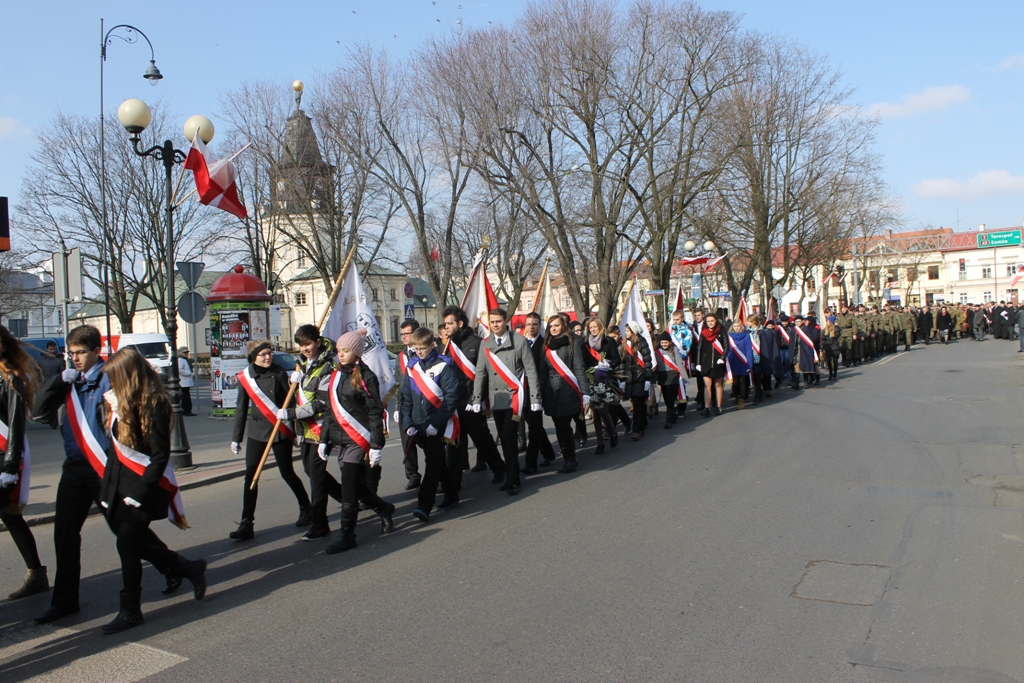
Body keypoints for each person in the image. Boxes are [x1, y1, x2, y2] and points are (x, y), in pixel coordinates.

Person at [32, 325, 176, 625]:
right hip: (74, 467)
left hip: (105, 467)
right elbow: (38, 411)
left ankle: (174, 567)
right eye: (70, 354)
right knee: (65, 535)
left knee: (126, 533)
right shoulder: (70, 380)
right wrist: (58, 381)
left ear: (97, 350)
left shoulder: (111, 378)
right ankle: (65, 601)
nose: (75, 359)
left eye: (81, 353)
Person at [98, 348, 207, 634]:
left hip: (143, 487)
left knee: (127, 546)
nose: (111, 384)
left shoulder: (155, 403)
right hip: (119, 485)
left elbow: (160, 456)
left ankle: (131, 610)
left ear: (127, 376)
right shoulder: (119, 402)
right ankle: (187, 568)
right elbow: (114, 452)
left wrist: (141, 492)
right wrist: (105, 488)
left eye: (114, 378)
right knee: (136, 544)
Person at [318, 329, 395, 553]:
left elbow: (375, 411)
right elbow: (331, 411)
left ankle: (347, 534)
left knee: (350, 486)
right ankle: (383, 508)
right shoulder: (334, 375)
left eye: (346, 351)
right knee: (356, 485)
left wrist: (376, 445)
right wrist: (324, 440)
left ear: (357, 353)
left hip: (356, 438)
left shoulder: (365, 376)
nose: (341, 355)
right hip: (338, 438)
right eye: (339, 350)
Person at [228, 340, 311, 541]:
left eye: (269, 353)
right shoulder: (246, 378)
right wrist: (236, 438)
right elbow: (241, 409)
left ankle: (306, 507)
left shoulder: (279, 373)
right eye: (263, 354)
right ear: (253, 357)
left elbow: (291, 401)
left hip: (278, 430)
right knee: (251, 476)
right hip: (257, 432)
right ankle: (247, 522)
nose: (268, 357)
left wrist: (296, 425)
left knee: (287, 473)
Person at [278, 325, 342, 541]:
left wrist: (291, 414)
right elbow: (301, 393)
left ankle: (320, 524)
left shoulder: (329, 366)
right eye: (301, 345)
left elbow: (322, 404)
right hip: (305, 429)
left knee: (316, 477)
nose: (304, 348)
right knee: (310, 471)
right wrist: (294, 382)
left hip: (322, 429)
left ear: (317, 341)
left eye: (307, 343)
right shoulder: (302, 365)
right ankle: (355, 497)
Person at [0, 324, 50, 601]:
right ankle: (37, 573)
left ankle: (36, 574)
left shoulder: (10, 378)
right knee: (11, 517)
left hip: (4, 455)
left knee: (11, 515)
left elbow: (15, 426)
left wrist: (9, 468)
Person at [471, 308, 542, 497]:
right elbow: (480, 373)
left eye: (499, 321)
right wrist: (477, 398)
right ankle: (514, 477)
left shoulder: (519, 341)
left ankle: (511, 480)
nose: (495, 325)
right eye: (492, 322)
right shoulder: (485, 344)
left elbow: (531, 371)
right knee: (504, 439)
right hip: (496, 400)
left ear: (506, 321)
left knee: (509, 439)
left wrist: (535, 398)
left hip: (514, 398)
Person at [401, 328, 460, 522]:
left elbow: (451, 398)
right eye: (416, 348)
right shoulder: (412, 367)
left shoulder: (444, 366)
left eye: (423, 348)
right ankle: (452, 494)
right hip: (418, 424)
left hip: (436, 424)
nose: (419, 352)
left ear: (432, 345)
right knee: (438, 463)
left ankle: (424, 505)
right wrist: (408, 422)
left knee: (432, 464)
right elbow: (406, 398)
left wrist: (436, 423)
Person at [441, 306, 505, 484]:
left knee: (482, 441)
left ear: (460, 323)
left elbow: (485, 374)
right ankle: (453, 483)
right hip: (453, 404)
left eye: (450, 323)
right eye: (445, 324)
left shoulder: (477, 343)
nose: (446, 327)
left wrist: (478, 399)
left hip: (471, 402)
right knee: (453, 444)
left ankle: (500, 470)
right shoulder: (446, 345)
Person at [541, 315, 591, 473]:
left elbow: (579, 367)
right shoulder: (547, 345)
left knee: (564, 426)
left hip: (567, 389)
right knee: (558, 426)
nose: (554, 328)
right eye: (551, 326)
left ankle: (571, 458)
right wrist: (540, 392)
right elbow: (543, 371)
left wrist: (585, 392)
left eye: (557, 325)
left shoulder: (573, 343)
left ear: (563, 326)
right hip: (551, 391)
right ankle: (567, 457)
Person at [519, 312, 556, 474]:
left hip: (535, 391)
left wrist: (538, 393)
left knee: (534, 428)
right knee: (535, 426)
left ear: (539, 325)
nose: (532, 327)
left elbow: (543, 371)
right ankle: (548, 453)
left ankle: (531, 462)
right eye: (529, 324)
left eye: (535, 324)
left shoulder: (543, 344)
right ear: (525, 326)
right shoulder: (519, 342)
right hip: (520, 391)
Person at [583, 317, 621, 453]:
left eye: (595, 327)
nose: (593, 330)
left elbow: (617, 359)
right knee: (596, 413)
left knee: (603, 410)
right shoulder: (586, 344)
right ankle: (600, 442)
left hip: (605, 379)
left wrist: (608, 364)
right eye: (591, 328)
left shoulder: (609, 341)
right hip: (591, 379)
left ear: (600, 327)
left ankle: (612, 432)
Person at [395, 320, 422, 491]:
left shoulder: (423, 352)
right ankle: (412, 475)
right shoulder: (401, 356)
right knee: (407, 442)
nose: (404, 337)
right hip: (406, 405)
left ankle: (439, 474)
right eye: (402, 334)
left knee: (428, 441)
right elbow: (399, 383)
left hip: (422, 404)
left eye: (407, 333)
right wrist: (398, 406)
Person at [621, 322, 653, 440]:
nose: (626, 333)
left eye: (628, 331)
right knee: (636, 402)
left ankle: (636, 430)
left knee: (638, 404)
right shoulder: (625, 344)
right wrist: (622, 379)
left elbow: (647, 362)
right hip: (630, 379)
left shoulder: (642, 343)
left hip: (640, 377)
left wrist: (648, 378)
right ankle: (642, 424)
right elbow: (623, 362)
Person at [695, 313, 727, 417]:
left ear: (716, 321)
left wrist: (722, 358)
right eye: (708, 321)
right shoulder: (703, 333)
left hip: (718, 363)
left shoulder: (721, 331)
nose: (710, 323)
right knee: (707, 385)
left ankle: (718, 406)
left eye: (712, 321)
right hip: (706, 362)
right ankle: (707, 407)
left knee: (718, 384)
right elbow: (699, 348)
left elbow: (727, 347)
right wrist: (698, 363)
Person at [653, 331, 684, 425]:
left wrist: (683, 377)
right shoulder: (657, 351)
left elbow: (679, 363)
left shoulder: (674, 349)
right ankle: (672, 413)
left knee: (671, 397)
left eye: (666, 342)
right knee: (666, 398)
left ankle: (668, 419)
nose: (664, 344)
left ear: (670, 342)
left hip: (673, 374)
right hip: (662, 375)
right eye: (662, 343)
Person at [726, 321, 754, 409]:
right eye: (735, 326)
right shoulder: (729, 336)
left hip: (743, 361)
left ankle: (742, 399)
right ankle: (736, 396)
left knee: (742, 382)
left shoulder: (746, 336)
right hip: (732, 361)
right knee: (735, 382)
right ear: (732, 327)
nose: (737, 328)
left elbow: (749, 350)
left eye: (738, 326)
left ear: (741, 326)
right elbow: (727, 349)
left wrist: (749, 363)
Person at [37, 341, 64, 428]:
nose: (52, 351)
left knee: (55, 403)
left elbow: (62, 371)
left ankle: (54, 421)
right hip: (45, 384)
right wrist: (40, 380)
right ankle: (48, 418)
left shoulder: (59, 359)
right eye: (50, 349)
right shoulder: (41, 359)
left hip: (55, 384)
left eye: (54, 349)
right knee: (47, 403)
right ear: (47, 349)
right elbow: (37, 370)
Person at [177, 347, 196, 416]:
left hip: (186, 382)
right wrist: (188, 373)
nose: (186, 354)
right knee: (186, 397)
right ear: (181, 353)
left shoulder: (184, 360)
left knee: (186, 396)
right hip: (184, 381)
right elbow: (180, 369)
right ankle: (187, 410)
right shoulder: (180, 360)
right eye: (185, 353)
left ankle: (185, 410)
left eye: (187, 353)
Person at [821, 317, 841, 381]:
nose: (827, 323)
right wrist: (822, 347)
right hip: (828, 348)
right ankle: (830, 374)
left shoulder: (836, 329)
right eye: (827, 321)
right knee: (828, 361)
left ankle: (835, 374)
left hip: (835, 347)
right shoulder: (824, 330)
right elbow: (822, 339)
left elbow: (837, 336)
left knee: (835, 361)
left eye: (828, 321)